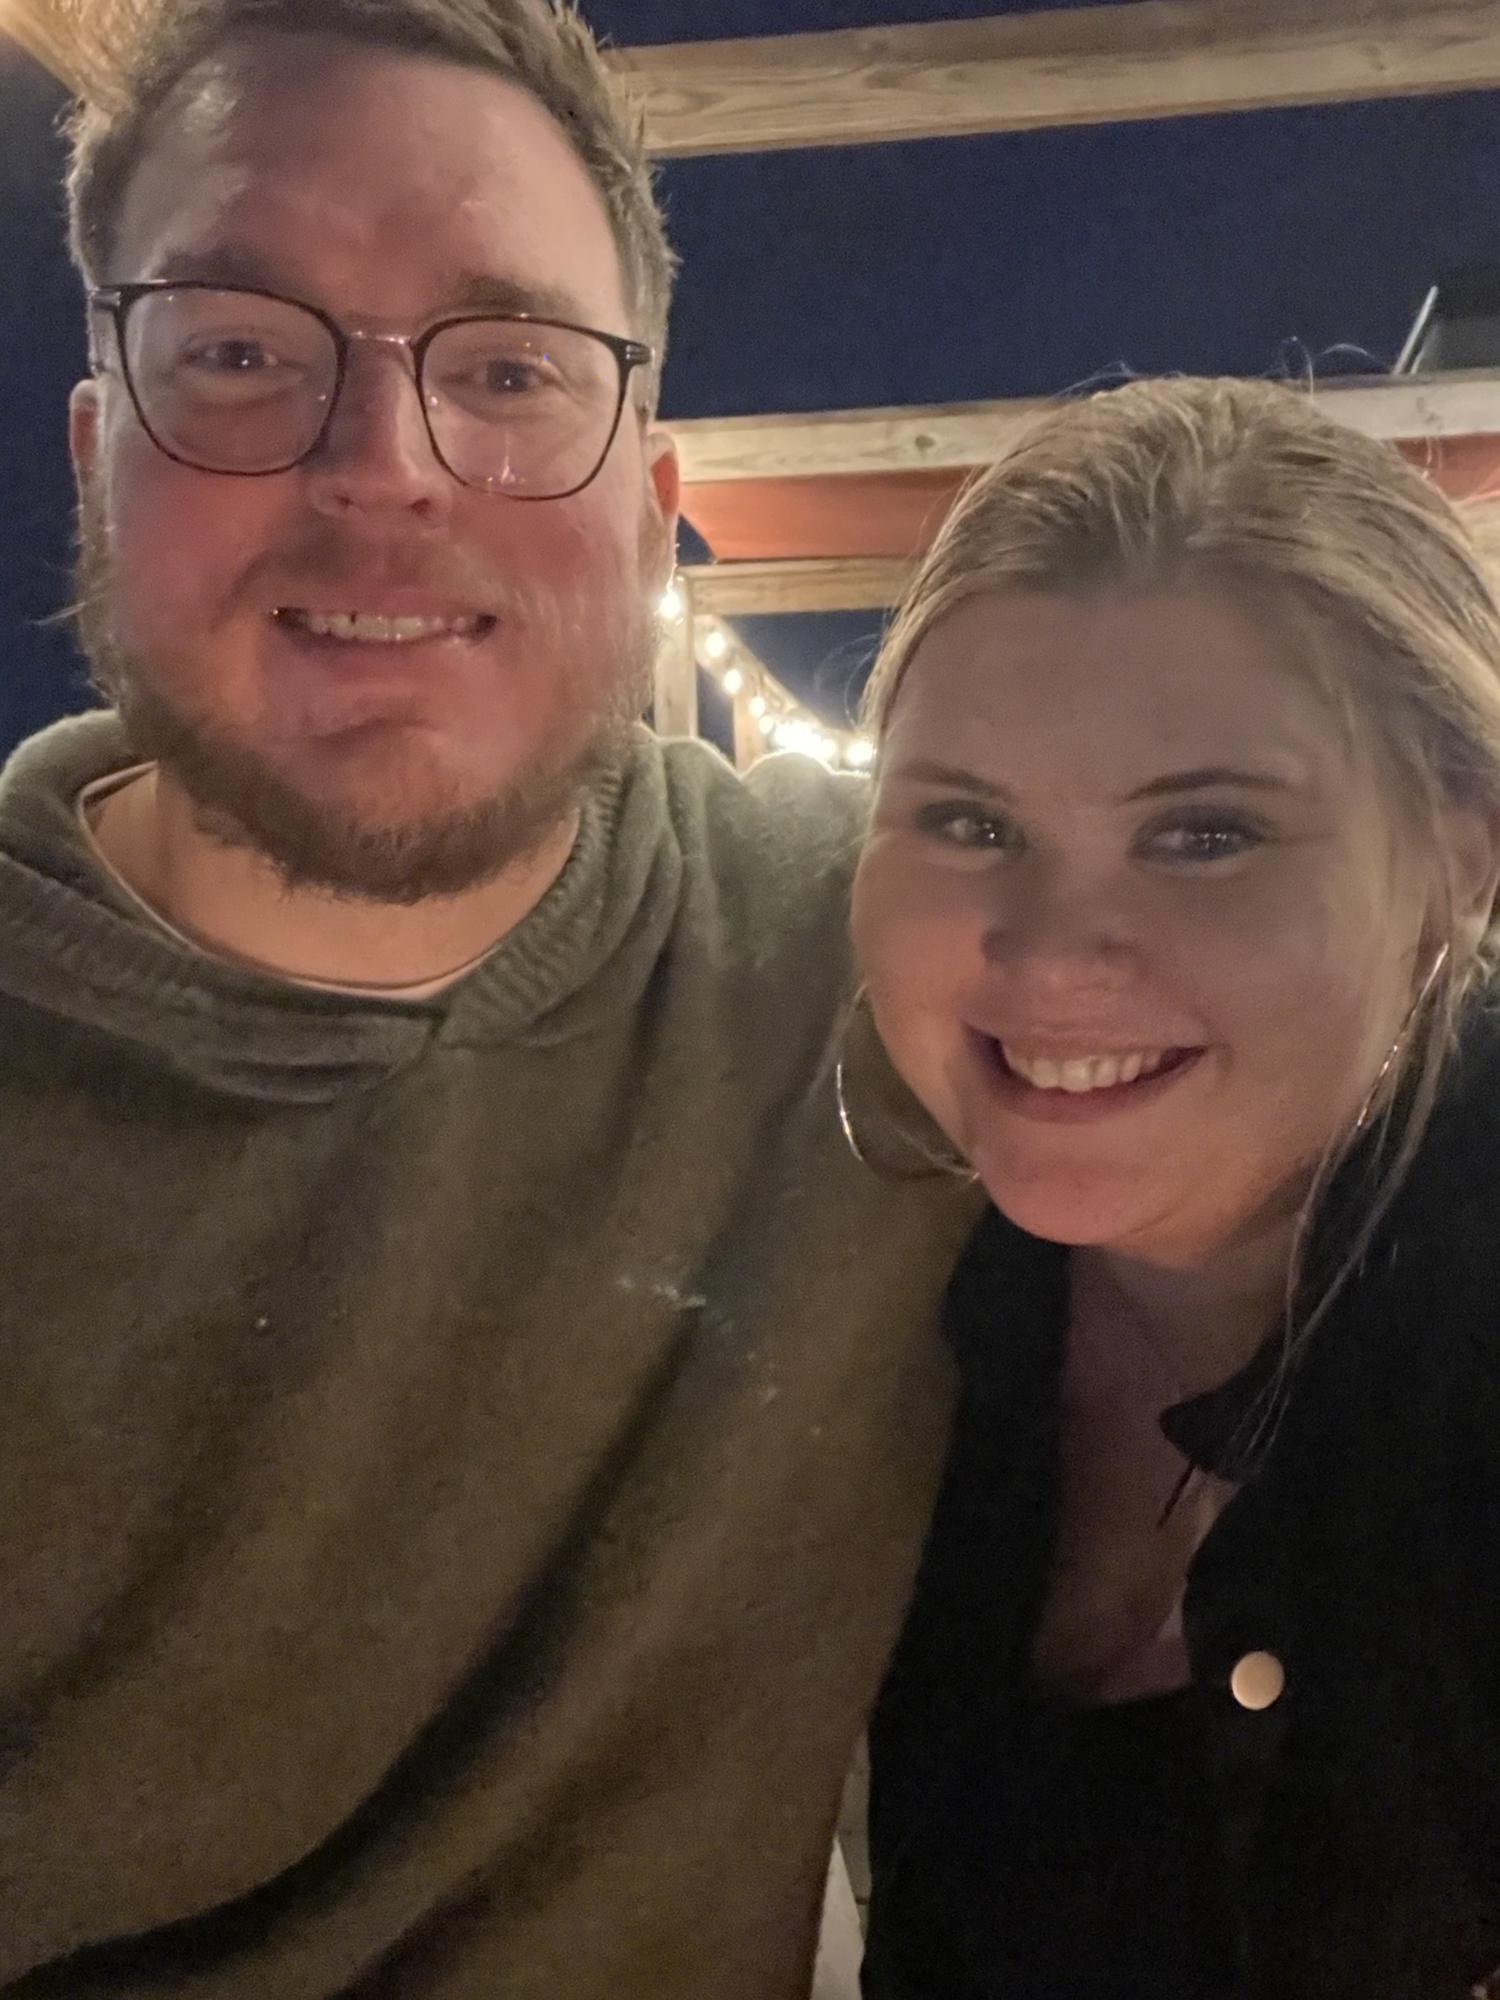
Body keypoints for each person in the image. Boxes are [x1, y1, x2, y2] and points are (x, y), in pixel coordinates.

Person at [0, 3, 979, 1993]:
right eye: (242, 353)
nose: (384, 470)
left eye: (511, 368)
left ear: (651, 495)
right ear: (99, 455)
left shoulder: (887, 956)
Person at [846, 376, 1500, 2000]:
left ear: (1458, 862)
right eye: (969, 819)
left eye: (1205, 833)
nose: (1053, 955)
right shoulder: (872, 1286)